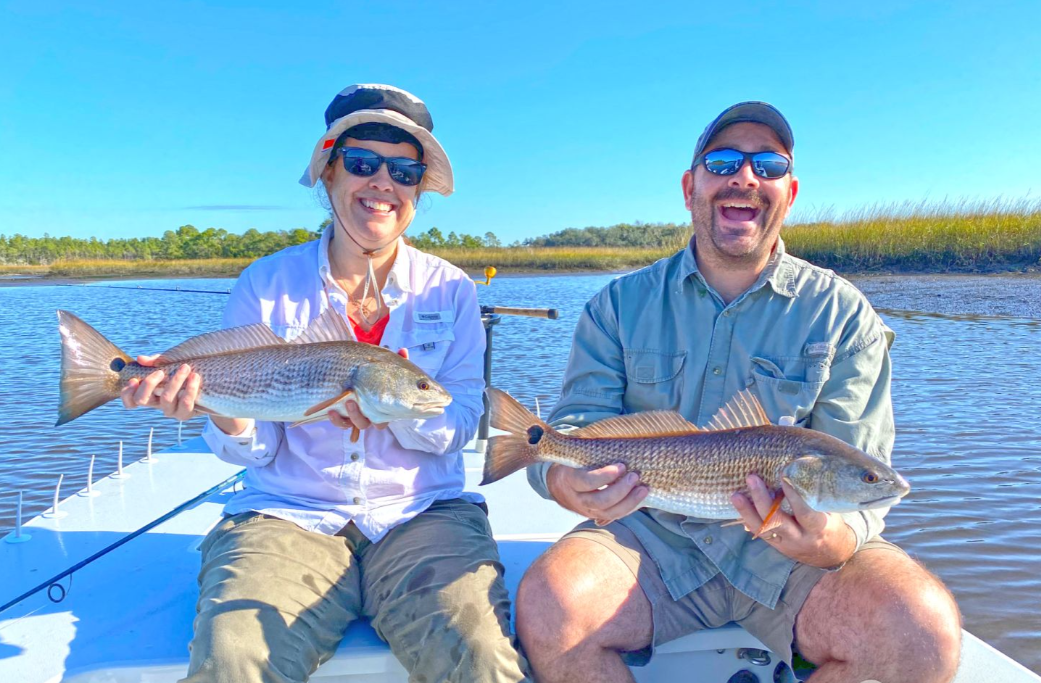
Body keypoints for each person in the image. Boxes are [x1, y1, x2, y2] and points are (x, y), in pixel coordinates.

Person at [514, 102, 962, 683]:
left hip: (793, 563)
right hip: (649, 536)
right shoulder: (617, 305)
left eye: (768, 165)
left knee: (921, 633)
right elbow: (578, 426)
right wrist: (562, 480)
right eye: (723, 161)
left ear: (789, 193)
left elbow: (858, 470)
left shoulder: (844, 313)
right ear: (690, 188)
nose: (745, 177)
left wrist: (829, 540)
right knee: (550, 607)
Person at [121, 84, 531, 683]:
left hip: (423, 513)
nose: (383, 183)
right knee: (233, 655)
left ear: (419, 189)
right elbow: (256, 450)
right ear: (329, 171)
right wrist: (221, 409)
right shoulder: (265, 283)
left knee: (482, 655)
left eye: (404, 171)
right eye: (362, 163)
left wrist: (400, 414)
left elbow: (463, 416)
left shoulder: (452, 289)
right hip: (288, 514)